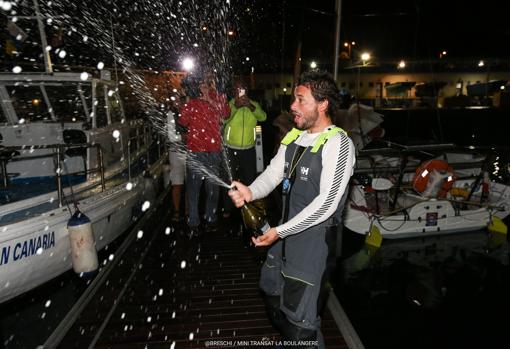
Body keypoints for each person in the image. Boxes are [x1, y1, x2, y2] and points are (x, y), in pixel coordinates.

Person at [228, 71, 356, 348]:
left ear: (323, 104)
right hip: (283, 241)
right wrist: (250, 191)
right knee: (274, 299)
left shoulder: (339, 144)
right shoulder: (294, 137)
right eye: (294, 99)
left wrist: (279, 231)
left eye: (301, 99)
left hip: (312, 248)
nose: (292, 106)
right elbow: (273, 175)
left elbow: (328, 203)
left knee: (302, 330)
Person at [178, 74, 230, 235]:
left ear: (212, 85)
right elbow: (182, 121)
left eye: (207, 84)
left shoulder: (219, 98)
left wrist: (211, 100)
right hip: (195, 151)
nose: (203, 87)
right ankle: (193, 221)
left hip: (214, 151)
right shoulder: (192, 102)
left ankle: (211, 218)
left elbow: (226, 114)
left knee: (212, 188)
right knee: (194, 188)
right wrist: (185, 103)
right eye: (201, 84)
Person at [222, 79, 266, 218]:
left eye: (243, 88)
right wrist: (235, 107)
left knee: (250, 179)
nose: (240, 91)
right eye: (238, 88)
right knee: (229, 180)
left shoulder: (254, 104)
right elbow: (223, 119)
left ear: (246, 90)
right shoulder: (229, 105)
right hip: (230, 148)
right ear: (234, 91)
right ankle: (228, 208)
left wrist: (250, 106)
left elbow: (263, 117)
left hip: (248, 149)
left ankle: (248, 207)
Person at [167, 94, 188, 224]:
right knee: (177, 183)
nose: (177, 103)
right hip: (176, 152)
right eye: (174, 100)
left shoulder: (189, 111)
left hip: (189, 152)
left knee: (189, 183)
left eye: (179, 100)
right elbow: (171, 136)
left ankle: (187, 210)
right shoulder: (171, 114)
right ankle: (176, 211)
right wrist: (183, 137)